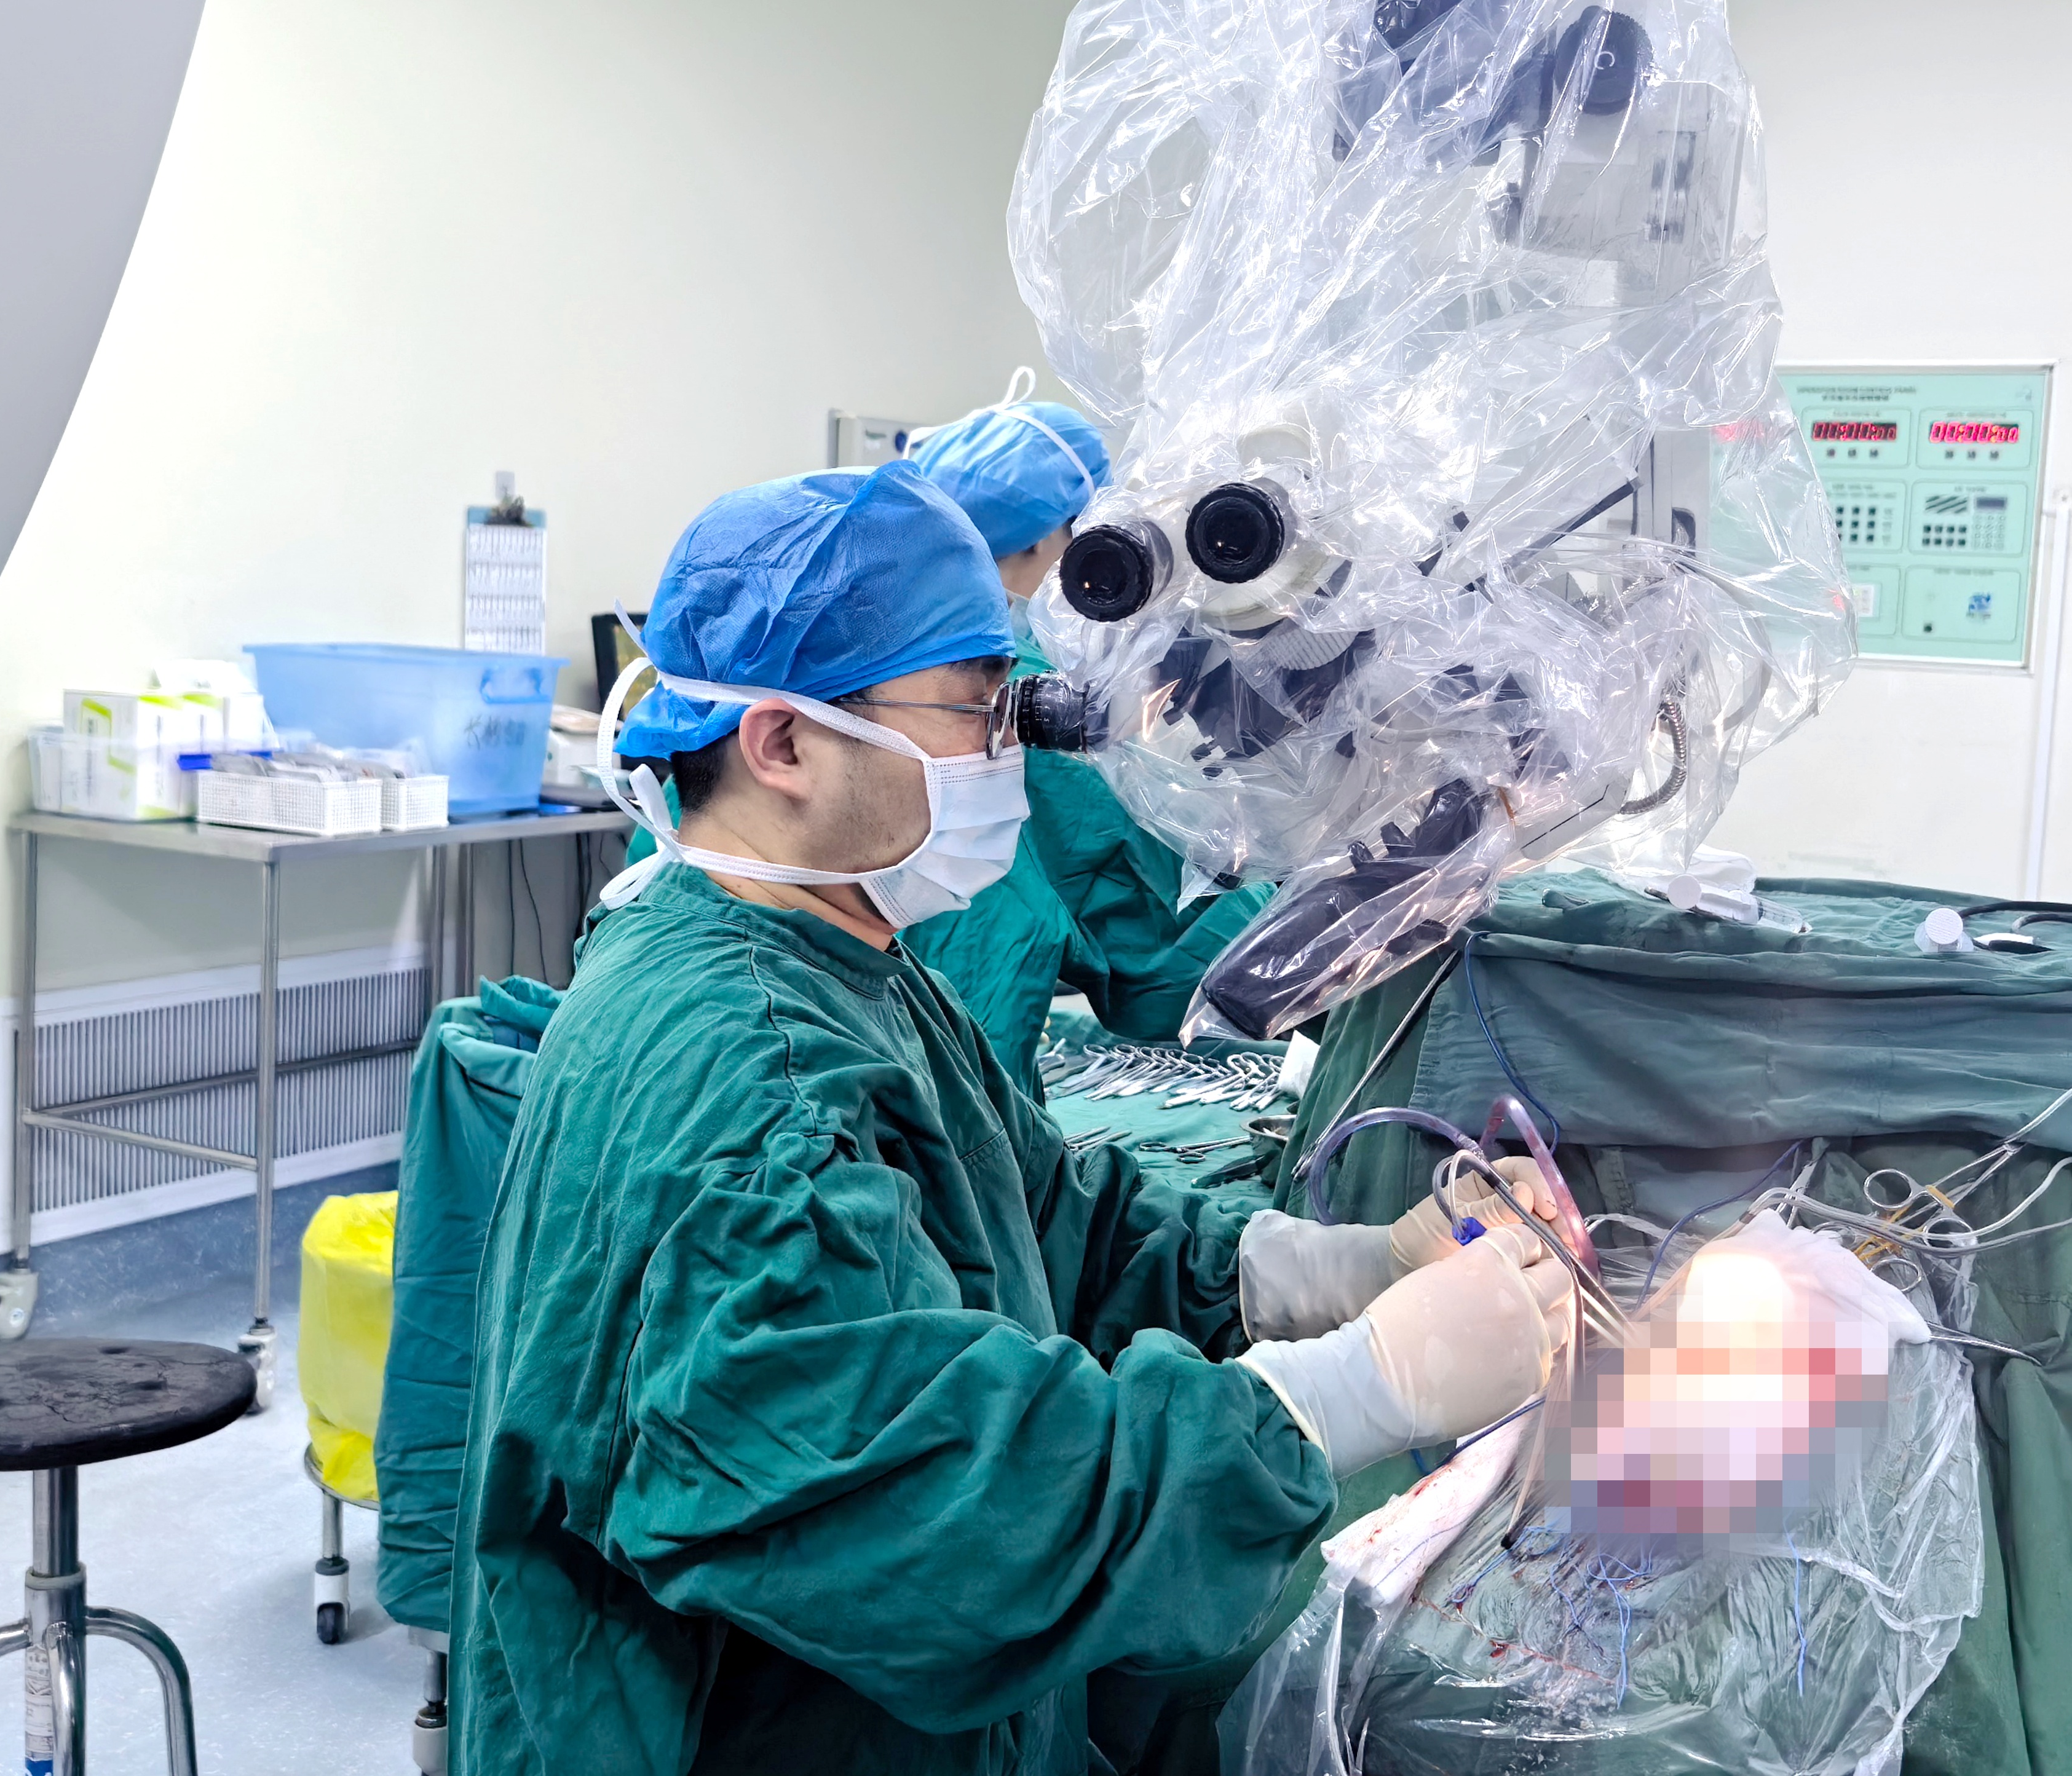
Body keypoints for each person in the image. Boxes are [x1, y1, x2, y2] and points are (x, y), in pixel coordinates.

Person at [452, 459, 1573, 1774]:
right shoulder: (750, 1080)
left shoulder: (840, 963)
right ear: (782, 743)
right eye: (976, 711)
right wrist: (1349, 1392)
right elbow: (929, 1508)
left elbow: (1041, 1217)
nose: (1009, 755)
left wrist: (1344, 1268)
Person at [904, 386, 1274, 1089]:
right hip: (955, 1086)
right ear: (1048, 538)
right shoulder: (1040, 704)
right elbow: (1175, 968)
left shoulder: (864, 669)